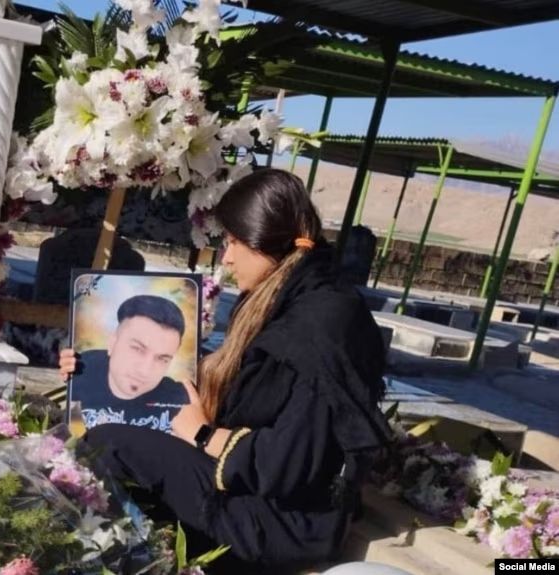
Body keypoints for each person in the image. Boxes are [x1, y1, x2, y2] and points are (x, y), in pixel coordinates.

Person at [60, 169, 391, 573]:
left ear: (265, 242)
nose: (228, 257)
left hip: (286, 521)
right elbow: (247, 398)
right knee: (101, 443)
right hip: (254, 492)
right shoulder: (287, 299)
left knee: (113, 445)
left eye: (235, 242)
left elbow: (287, 465)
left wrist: (202, 434)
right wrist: (89, 369)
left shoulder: (319, 326)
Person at [70, 294, 191, 432]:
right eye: (137, 349)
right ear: (112, 343)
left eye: (162, 359)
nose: (144, 371)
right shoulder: (79, 371)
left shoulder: (179, 400)